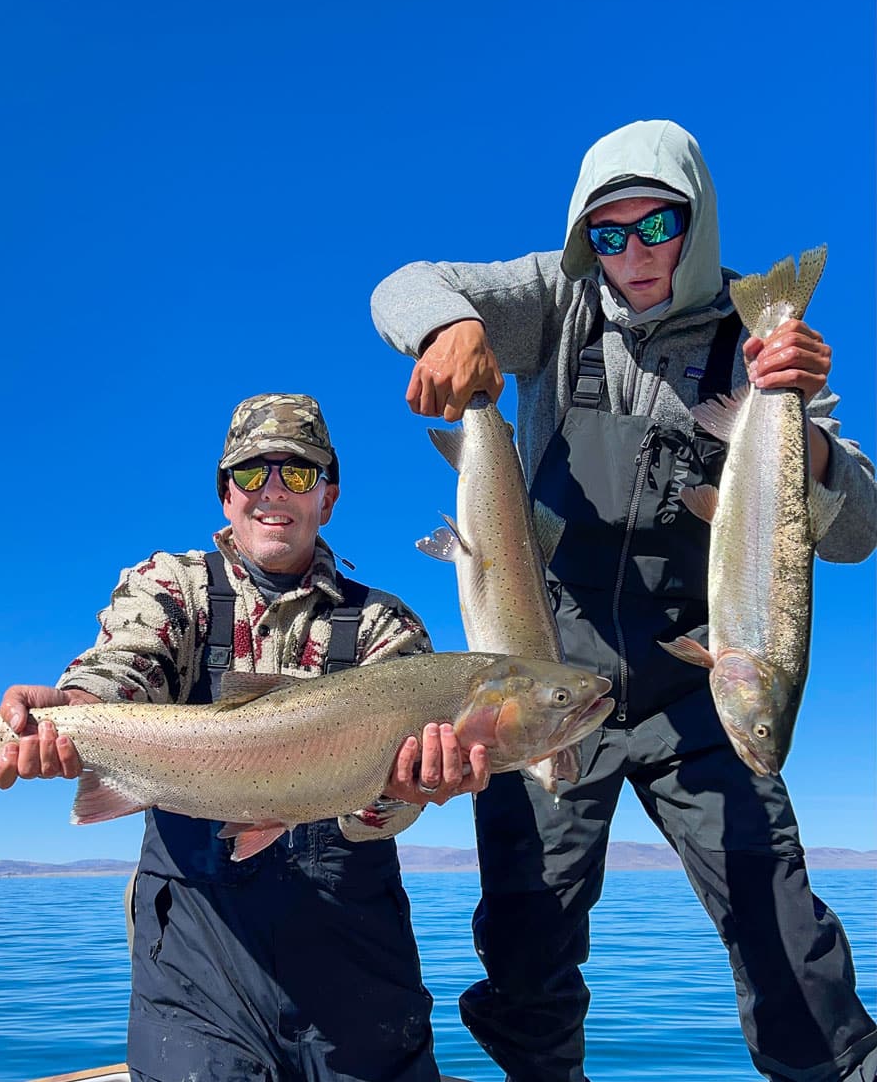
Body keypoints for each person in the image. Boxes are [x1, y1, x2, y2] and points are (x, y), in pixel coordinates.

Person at [371, 120, 877, 1082]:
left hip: (705, 678)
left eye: (659, 226)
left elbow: (856, 533)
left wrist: (802, 434)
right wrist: (452, 327)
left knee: (782, 923)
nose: (634, 255)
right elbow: (401, 283)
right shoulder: (556, 302)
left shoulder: (756, 341)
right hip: (550, 674)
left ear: (700, 222)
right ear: (582, 238)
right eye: (609, 233)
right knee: (528, 936)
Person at [0, 392, 490, 1082]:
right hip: (200, 962)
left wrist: (411, 790)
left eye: (300, 472)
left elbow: (383, 814)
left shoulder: (387, 628)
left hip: (355, 963)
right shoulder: (173, 587)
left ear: (330, 496)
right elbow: (128, 664)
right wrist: (76, 708)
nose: (274, 492)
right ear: (227, 495)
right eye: (253, 474)